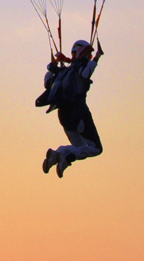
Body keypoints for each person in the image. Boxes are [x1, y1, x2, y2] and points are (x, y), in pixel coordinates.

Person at [36, 39, 104, 177]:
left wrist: (53, 66)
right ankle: (66, 158)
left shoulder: (63, 71)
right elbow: (85, 74)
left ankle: (57, 155)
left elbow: (47, 82)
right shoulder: (80, 68)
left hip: (63, 115)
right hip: (78, 112)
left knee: (80, 148)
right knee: (96, 148)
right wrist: (97, 57)